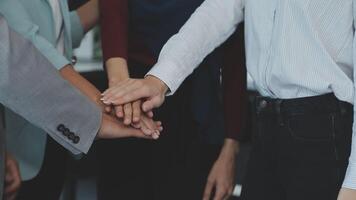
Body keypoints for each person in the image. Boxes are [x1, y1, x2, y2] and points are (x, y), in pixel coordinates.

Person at [101, 0, 356, 199]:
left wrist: (353, 184)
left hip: (325, 130)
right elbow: (216, 12)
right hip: (267, 123)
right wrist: (159, 80)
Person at [0, 0, 161, 199]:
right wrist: (99, 106)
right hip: (29, 131)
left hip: (57, 127)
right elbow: (25, 50)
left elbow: (61, 35)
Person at [98, 0, 246, 199]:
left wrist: (230, 149)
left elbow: (235, 61)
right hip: (130, 98)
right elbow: (113, 17)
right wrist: (121, 91)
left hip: (197, 107)